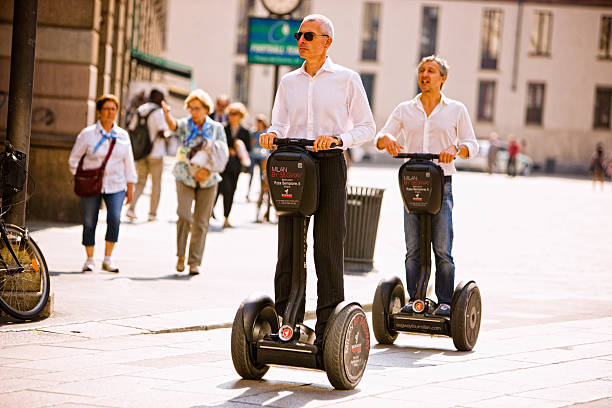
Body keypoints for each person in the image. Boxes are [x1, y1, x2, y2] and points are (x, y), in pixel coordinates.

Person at [259, 14, 375, 343]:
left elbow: (367, 127)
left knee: (327, 247)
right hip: (293, 165)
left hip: (329, 164)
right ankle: (287, 323)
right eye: (298, 35)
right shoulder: (288, 82)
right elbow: (279, 123)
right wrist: (271, 134)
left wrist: (339, 139)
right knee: (289, 248)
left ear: (327, 41)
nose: (300, 40)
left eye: (308, 36)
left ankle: (328, 329)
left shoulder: (347, 79)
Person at [375, 55, 478, 316]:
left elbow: (472, 145)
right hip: (413, 184)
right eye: (422, 70)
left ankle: (444, 301)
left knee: (442, 248)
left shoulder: (456, 110)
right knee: (413, 248)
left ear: (442, 78)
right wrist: (387, 139)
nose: (425, 75)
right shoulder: (404, 109)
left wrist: (456, 149)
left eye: (431, 71)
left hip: (442, 184)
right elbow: (381, 137)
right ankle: (415, 299)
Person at [162, 89, 229, 275]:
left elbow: (222, 154)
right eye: (191, 108)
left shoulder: (216, 128)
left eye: (197, 109)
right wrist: (167, 115)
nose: (194, 112)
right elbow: (174, 126)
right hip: (184, 175)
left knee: (201, 221)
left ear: (206, 109)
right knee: (184, 215)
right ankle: (181, 255)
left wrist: (207, 170)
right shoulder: (186, 125)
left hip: (208, 179)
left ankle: (194, 261)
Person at [69, 94, 137, 273]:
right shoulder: (87, 134)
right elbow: (74, 159)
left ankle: (108, 259)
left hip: (116, 184)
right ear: (99, 112)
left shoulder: (122, 136)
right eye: (106, 109)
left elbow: (129, 163)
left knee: (115, 218)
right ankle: (89, 259)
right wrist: (81, 177)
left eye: (113, 109)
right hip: (91, 185)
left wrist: (130, 187)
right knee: (89, 221)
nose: (110, 112)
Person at [126, 89, 169, 222]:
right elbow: (162, 132)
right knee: (156, 184)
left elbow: (131, 128)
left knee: (140, 182)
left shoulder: (140, 110)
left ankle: (131, 208)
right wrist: (168, 135)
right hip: (156, 153)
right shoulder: (159, 112)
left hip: (142, 152)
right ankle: (152, 213)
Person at [218, 102, 251, 228]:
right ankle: (217, 213)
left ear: (240, 115)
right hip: (223, 165)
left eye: (235, 114)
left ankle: (226, 217)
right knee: (225, 189)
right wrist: (228, 149)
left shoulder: (245, 131)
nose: (232, 116)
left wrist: (238, 149)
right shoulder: (223, 128)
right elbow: (218, 144)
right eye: (230, 114)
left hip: (236, 167)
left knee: (232, 191)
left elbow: (248, 149)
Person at [247, 114, 270, 203]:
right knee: (251, 174)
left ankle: (261, 194)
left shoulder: (266, 133)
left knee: (262, 177)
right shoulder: (253, 133)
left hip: (263, 157)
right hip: (253, 156)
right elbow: (250, 143)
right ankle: (248, 193)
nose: (258, 125)